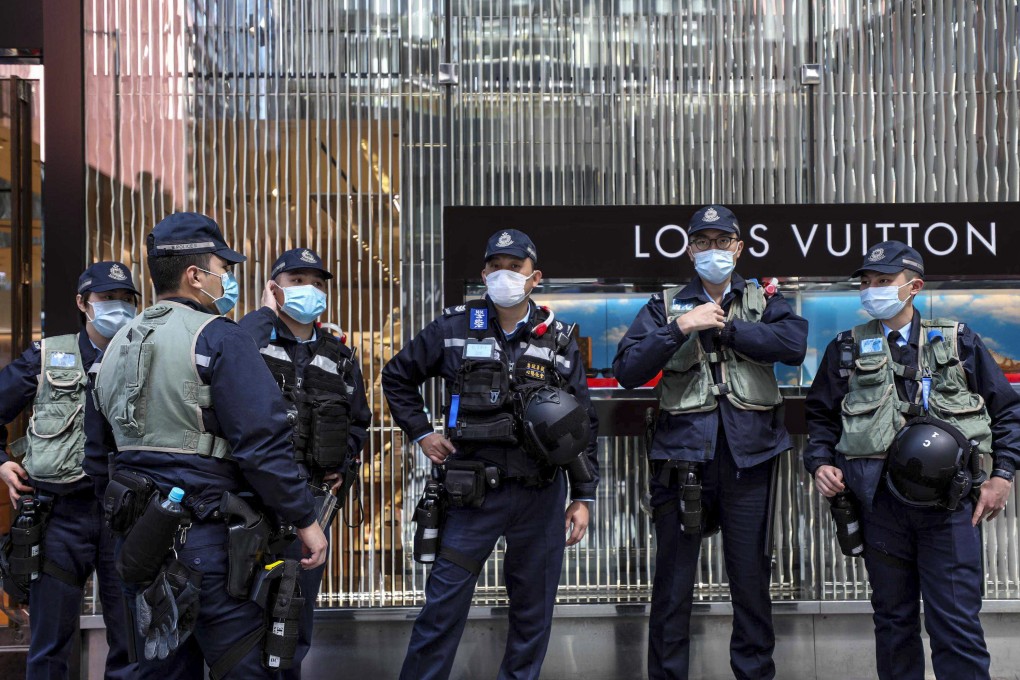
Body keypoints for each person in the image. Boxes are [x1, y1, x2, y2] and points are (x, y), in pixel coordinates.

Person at [89, 212, 328, 679]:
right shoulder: (220, 337)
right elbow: (262, 446)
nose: (230, 279)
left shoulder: (115, 345)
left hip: (139, 543)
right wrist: (305, 519)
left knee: (158, 669)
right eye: (225, 268)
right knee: (247, 668)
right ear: (196, 275)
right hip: (212, 544)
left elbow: (97, 458)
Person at [382, 228, 599, 680]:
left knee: (531, 617)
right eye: (495, 266)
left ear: (533, 277)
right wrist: (422, 433)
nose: (504, 274)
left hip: (539, 498)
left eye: (514, 267)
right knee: (441, 610)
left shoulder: (558, 339)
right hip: (470, 496)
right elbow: (397, 377)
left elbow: (581, 422)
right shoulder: (453, 327)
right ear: (483, 273)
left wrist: (584, 494)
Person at [804, 241, 1019, 680]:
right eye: (867, 283)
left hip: (950, 508)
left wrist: (1002, 475)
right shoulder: (844, 349)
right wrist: (819, 462)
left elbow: (1008, 412)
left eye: (884, 282)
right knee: (893, 623)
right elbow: (821, 418)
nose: (872, 290)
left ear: (914, 286)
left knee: (955, 625)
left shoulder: (959, 340)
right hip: (879, 505)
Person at [613, 205, 807, 680]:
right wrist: (681, 326)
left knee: (751, 582)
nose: (713, 250)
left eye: (723, 242)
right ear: (690, 249)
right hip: (682, 462)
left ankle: (754, 673)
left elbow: (793, 344)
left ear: (739, 248)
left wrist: (727, 326)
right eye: (703, 242)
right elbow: (628, 370)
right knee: (673, 587)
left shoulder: (764, 298)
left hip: (750, 459)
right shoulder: (663, 305)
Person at [238, 247, 372, 679]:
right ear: (274, 287)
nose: (309, 290)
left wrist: (345, 465)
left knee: (294, 614)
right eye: (297, 280)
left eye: (316, 282)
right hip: (247, 501)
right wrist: (260, 315)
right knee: (241, 612)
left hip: (310, 505)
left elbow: (359, 423)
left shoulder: (340, 356)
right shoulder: (248, 342)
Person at [0, 262, 138, 679]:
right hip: (61, 516)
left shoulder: (143, 355)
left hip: (126, 518)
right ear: (83, 303)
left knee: (131, 643)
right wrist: (3, 462)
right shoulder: (47, 355)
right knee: (49, 644)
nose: (118, 307)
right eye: (107, 298)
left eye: (127, 299)